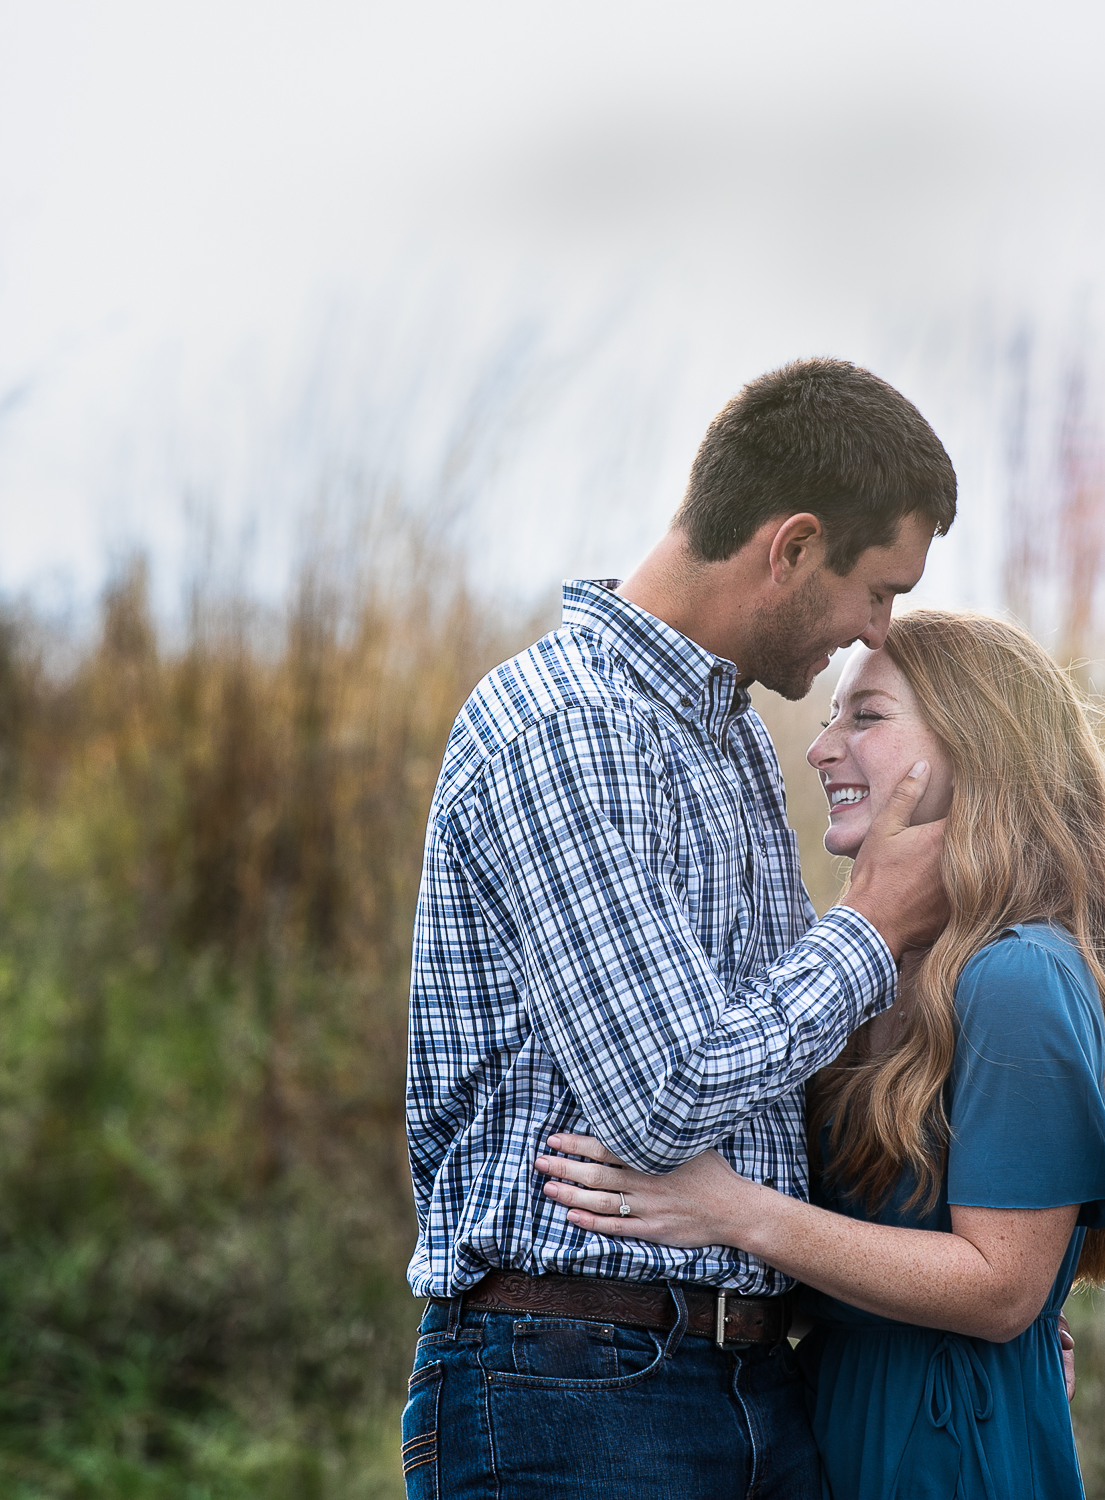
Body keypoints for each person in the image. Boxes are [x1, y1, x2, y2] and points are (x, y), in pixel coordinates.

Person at [401, 358, 963, 1498]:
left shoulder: (730, 740)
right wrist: (869, 929)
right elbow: (666, 1092)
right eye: (878, 589)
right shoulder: (566, 726)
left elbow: (766, 1076)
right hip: (571, 1388)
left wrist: (992, 1299)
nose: (872, 632)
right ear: (792, 546)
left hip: (746, 1378)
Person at [536, 608, 1105, 1498]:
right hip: (827, 1411)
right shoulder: (872, 969)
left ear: (980, 745)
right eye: (830, 718)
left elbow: (1000, 1288)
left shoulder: (1017, 975)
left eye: (864, 717)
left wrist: (729, 1209)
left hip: (944, 1441)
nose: (823, 748)